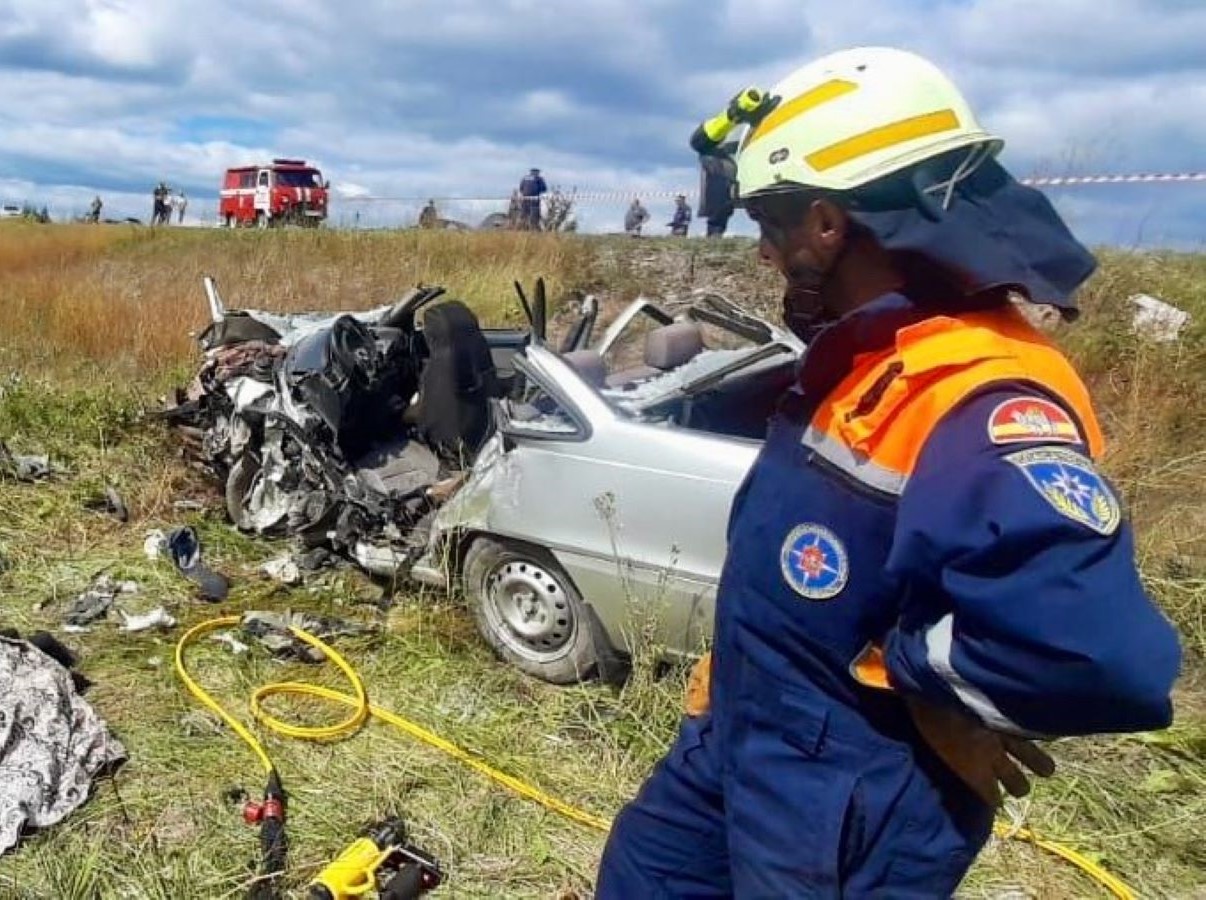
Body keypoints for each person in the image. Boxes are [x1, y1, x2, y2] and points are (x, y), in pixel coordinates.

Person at [596, 47, 1181, 898]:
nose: (763, 252)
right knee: (643, 872)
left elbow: (1089, 653)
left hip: (847, 795)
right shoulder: (869, 355)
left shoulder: (976, 394)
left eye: (770, 223)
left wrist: (924, 689)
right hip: (738, 738)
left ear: (828, 224)